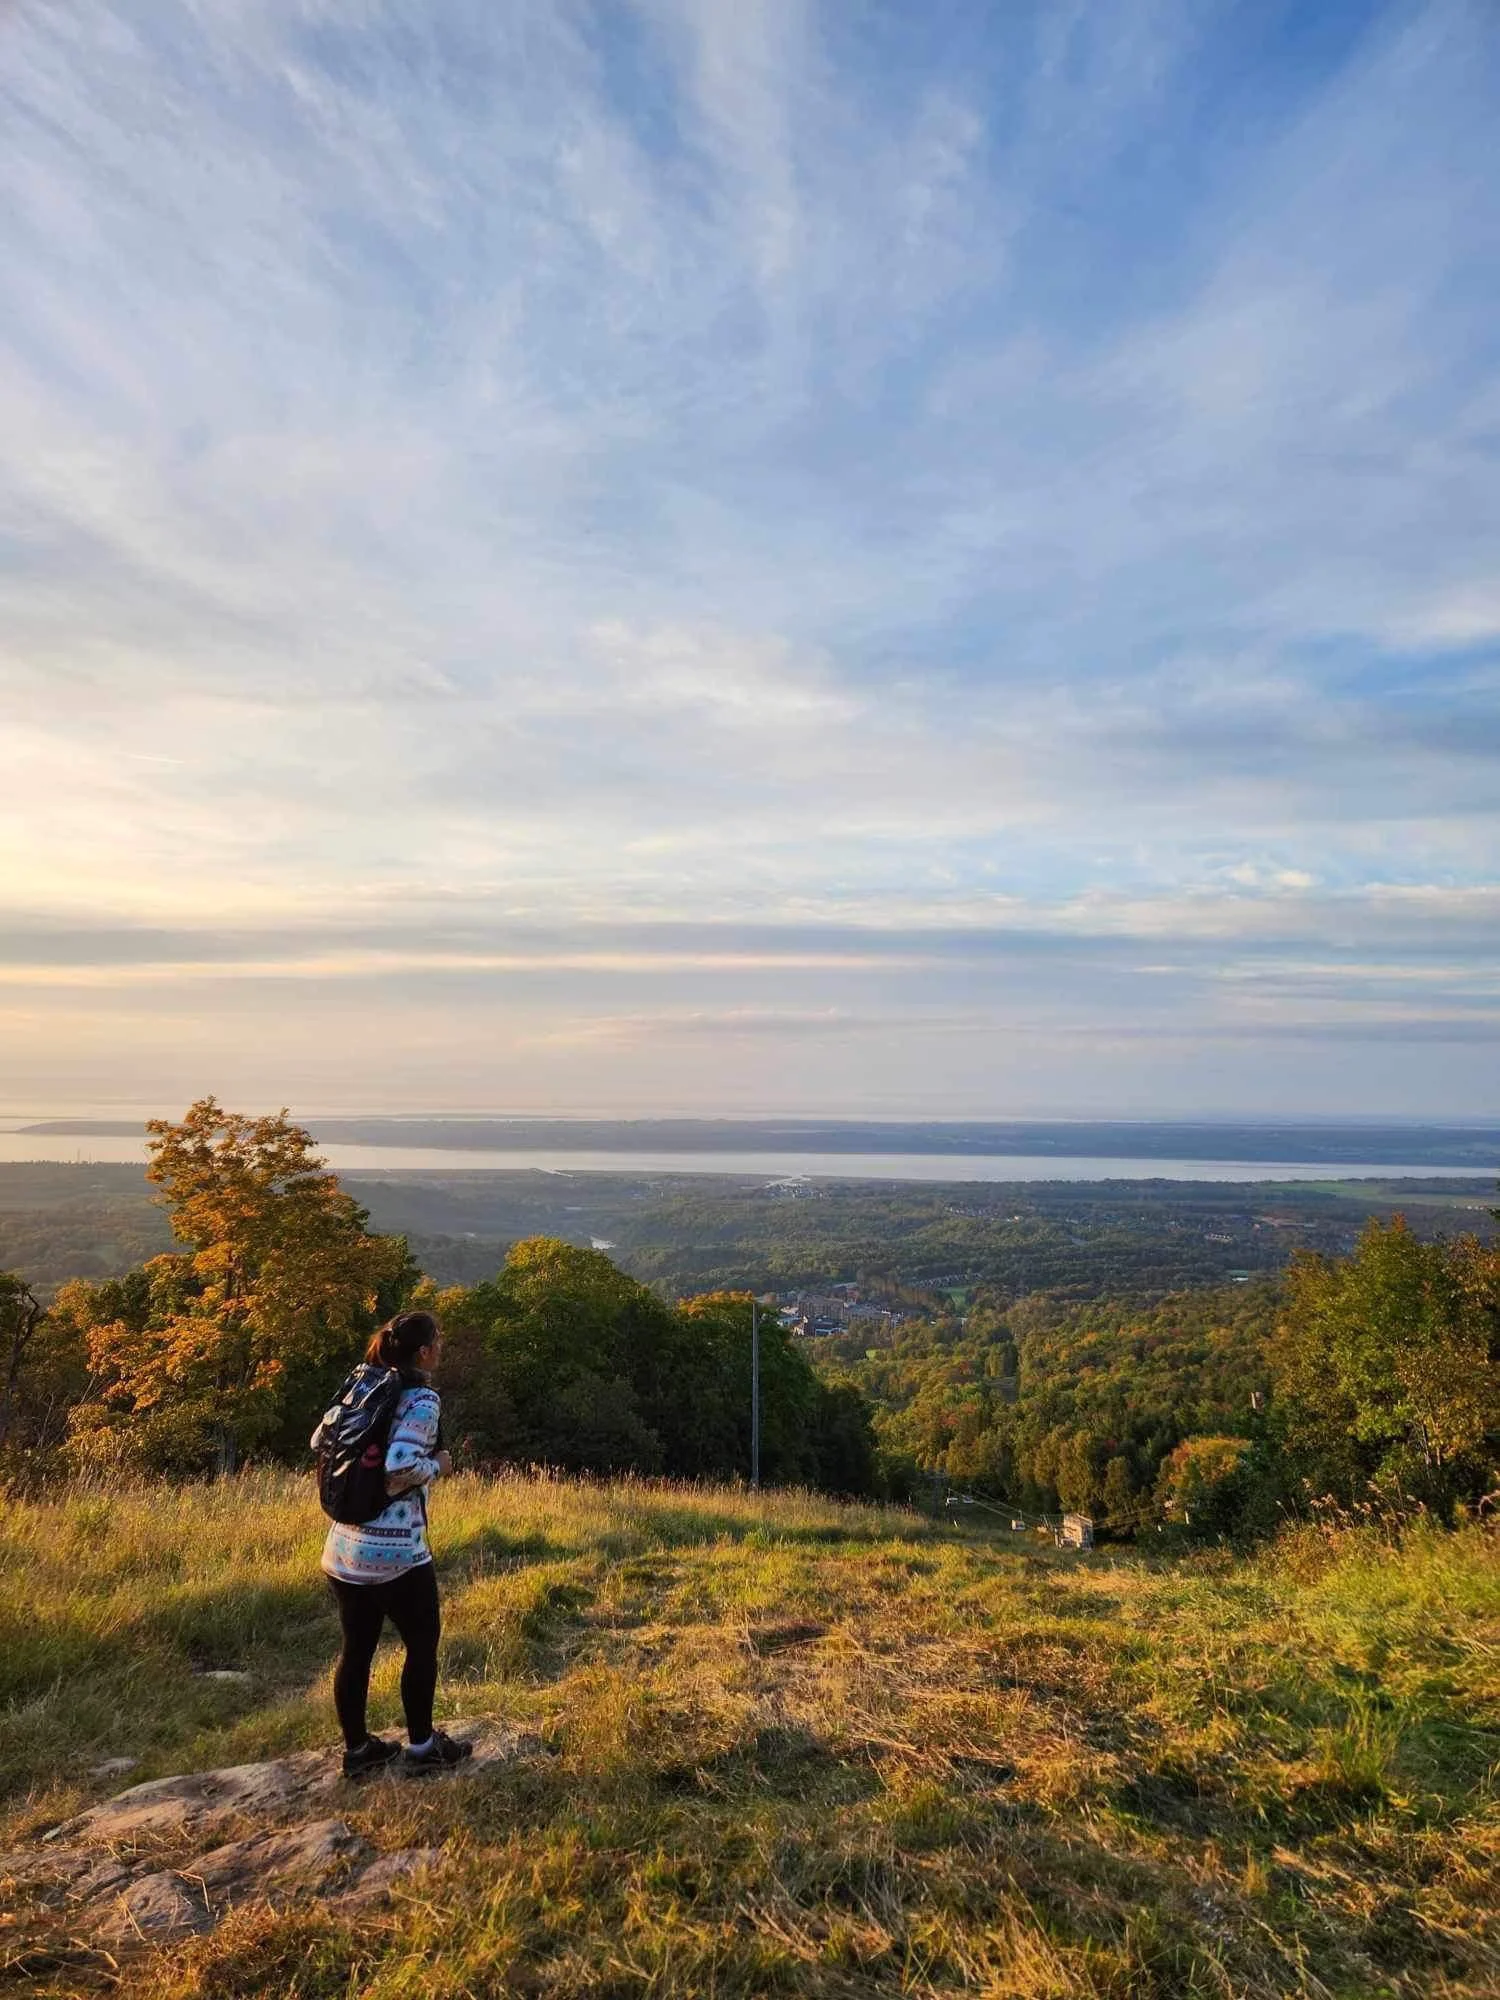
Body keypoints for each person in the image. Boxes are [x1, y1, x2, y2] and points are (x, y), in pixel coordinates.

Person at [311, 1309, 474, 1778]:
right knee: (422, 1645)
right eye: (438, 1340)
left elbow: (319, 1438)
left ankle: (359, 1752)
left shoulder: (362, 1384)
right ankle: (423, 1749)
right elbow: (401, 1464)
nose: (441, 1346)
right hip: (398, 1553)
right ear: (423, 1351)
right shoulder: (421, 1398)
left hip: (342, 1550)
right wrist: (439, 1467)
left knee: (356, 1649)